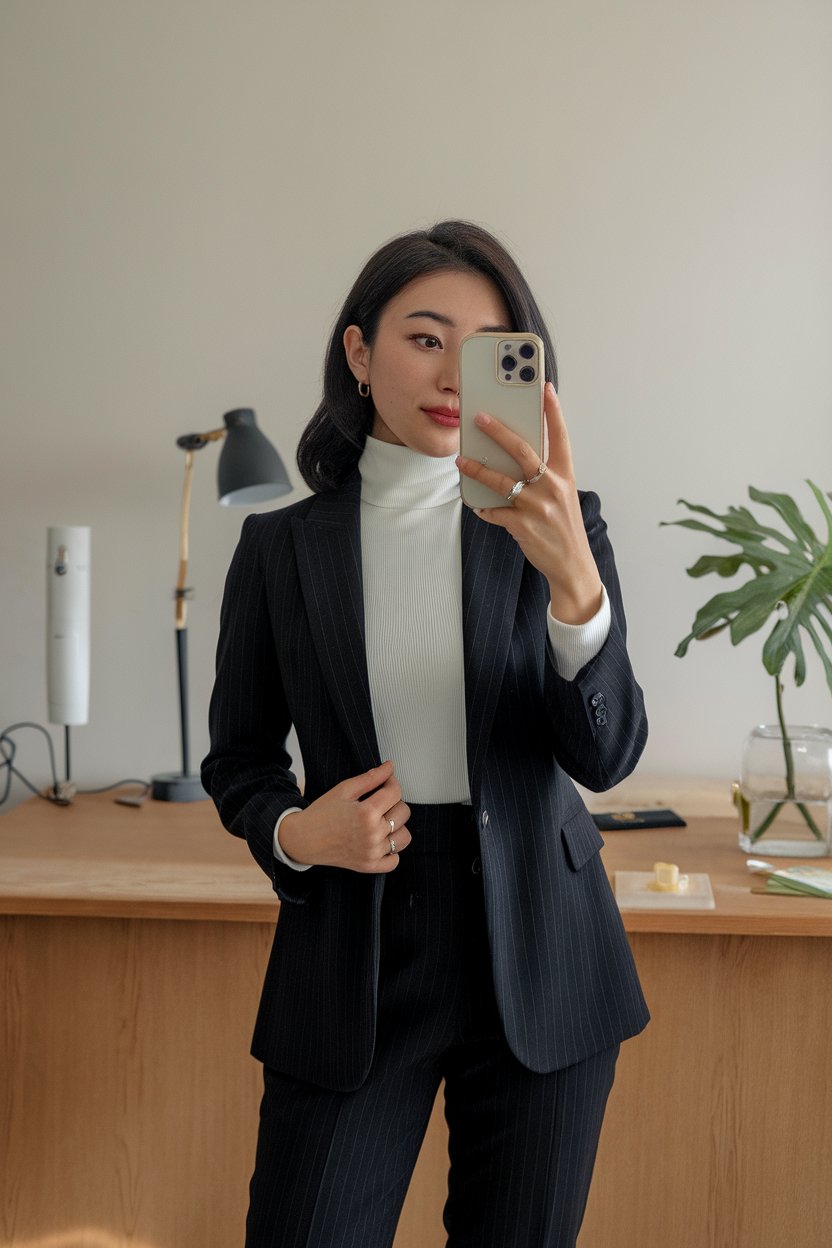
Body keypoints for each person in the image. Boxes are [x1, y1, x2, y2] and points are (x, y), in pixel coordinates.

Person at [201, 220, 649, 1248]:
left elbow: (606, 755)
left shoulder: (561, 524)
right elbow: (238, 759)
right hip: (354, 943)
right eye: (425, 338)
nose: (454, 374)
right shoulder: (280, 548)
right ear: (358, 354)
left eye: (490, 347)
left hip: (541, 943)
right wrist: (296, 835)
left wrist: (573, 581)